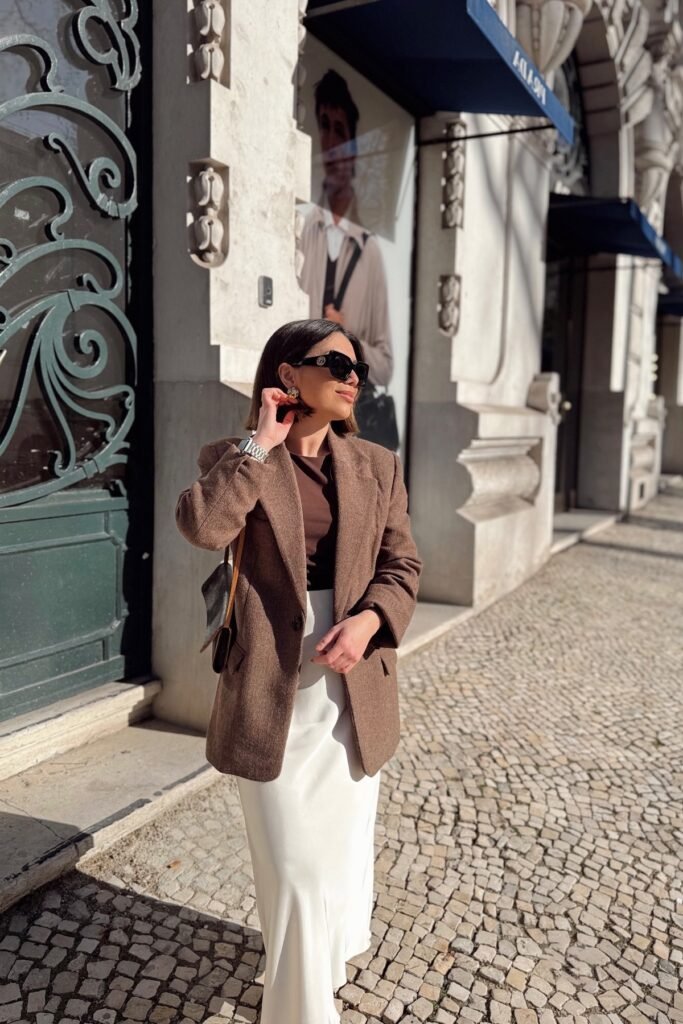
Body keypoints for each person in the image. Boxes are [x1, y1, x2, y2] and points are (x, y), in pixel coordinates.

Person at [175, 317, 422, 1024]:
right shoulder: (236, 455)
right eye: (334, 364)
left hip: (348, 686)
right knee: (293, 868)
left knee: (336, 860)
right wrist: (260, 445)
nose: (353, 379)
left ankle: (311, 973)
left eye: (358, 371)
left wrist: (371, 620)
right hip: (271, 689)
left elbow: (402, 564)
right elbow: (201, 528)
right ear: (287, 374)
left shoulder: (377, 465)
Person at [298, 69, 394, 396]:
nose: (331, 143)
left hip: (343, 424)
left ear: (354, 150)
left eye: (340, 131)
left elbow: (385, 367)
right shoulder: (301, 230)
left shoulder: (370, 252)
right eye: (324, 126)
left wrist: (346, 333)